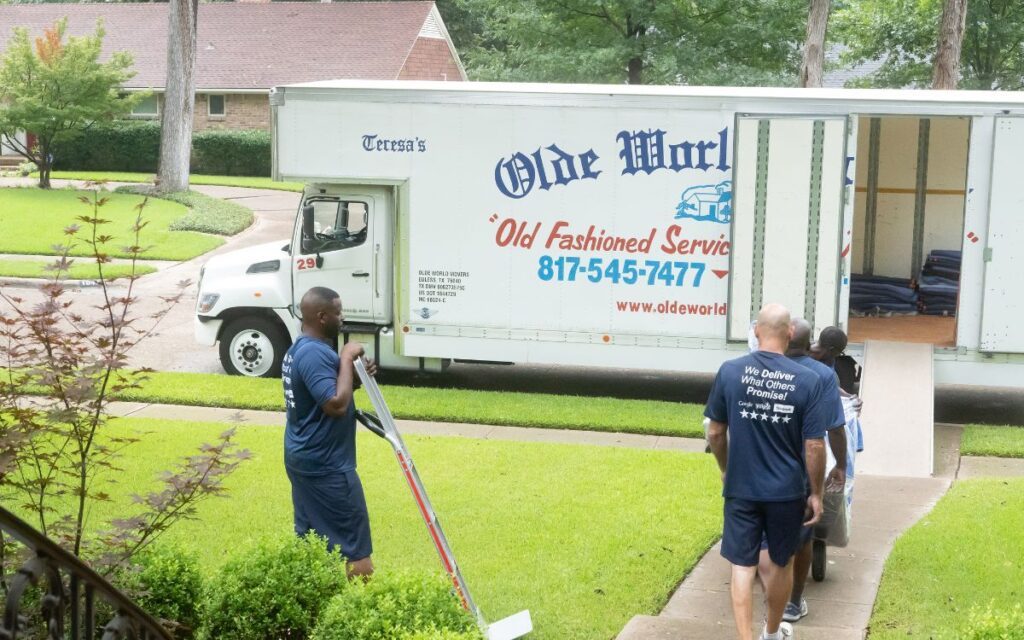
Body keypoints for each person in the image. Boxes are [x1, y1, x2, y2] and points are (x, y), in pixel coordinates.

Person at [705, 304, 827, 640]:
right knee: (781, 562)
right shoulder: (809, 380)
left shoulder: (730, 371)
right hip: (787, 491)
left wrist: (727, 470)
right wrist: (816, 493)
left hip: (741, 487)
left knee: (742, 567)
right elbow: (814, 445)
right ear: (790, 333)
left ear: (757, 331)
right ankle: (772, 633)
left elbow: (715, 432)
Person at [757, 318, 849, 624]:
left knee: (761, 532)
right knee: (803, 535)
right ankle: (794, 602)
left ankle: (764, 596)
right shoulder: (822, 375)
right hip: (801, 467)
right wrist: (841, 466)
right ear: (807, 342)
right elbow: (834, 429)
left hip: (762, 461)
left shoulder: (763, 367)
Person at [282, 286, 378, 578]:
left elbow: (322, 394)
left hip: (305, 460)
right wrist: (347, 357)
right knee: (358, 557)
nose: (343, 318)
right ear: (322, 316)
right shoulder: (314, 354)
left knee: (313, 546)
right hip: (328, 468)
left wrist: (353, 378)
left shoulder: (300, 348)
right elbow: (335, 405)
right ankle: (358, 617)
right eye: (338, 312)